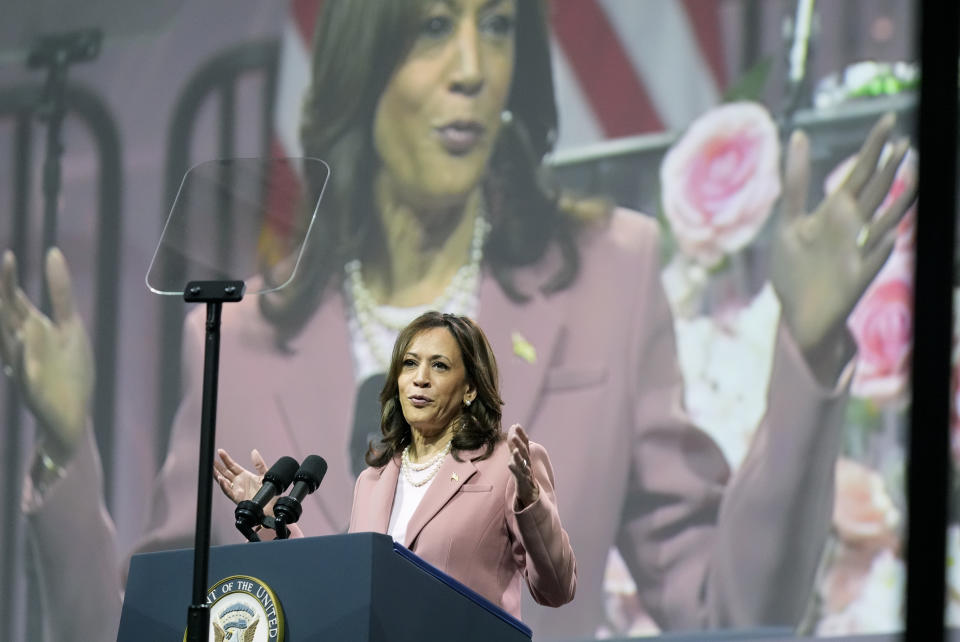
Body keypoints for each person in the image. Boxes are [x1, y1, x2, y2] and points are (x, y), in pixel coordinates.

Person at [0, 0, 916, 639]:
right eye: (434, 26)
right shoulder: (244, 344)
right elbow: (150, 629)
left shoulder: (611, 278)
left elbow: (731, 607)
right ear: (365, 57)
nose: (473, 70)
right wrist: (63, 444)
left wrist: (808, 344)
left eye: (499, 25)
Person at [216, 311, 577, 618]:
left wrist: (532, 504)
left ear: (469, 389)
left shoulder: (504, 464)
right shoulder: (373, 481)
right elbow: (341, 581)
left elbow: (557, 589)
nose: (420, 377)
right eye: (409, 363)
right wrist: (265, 515)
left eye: (439, 365)